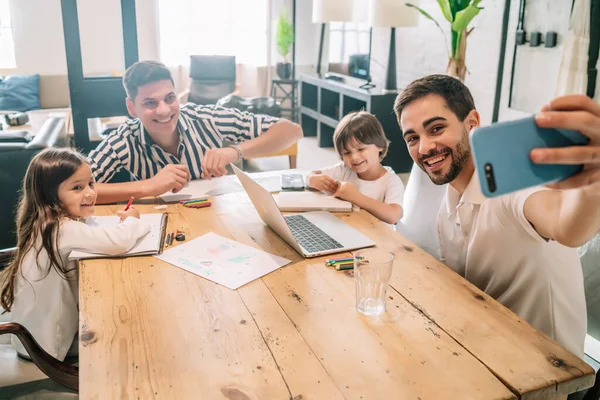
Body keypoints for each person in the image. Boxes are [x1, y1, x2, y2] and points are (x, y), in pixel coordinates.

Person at [393, 75, 600, 358]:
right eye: (413, 138)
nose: (425, 147)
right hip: (488, 348)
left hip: (549, 370)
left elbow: (566, 226)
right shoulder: (448, 205)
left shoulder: (513, 186)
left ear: (472, 123)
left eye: (437, 128)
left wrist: (593, 183)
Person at [0, 148, 150, 361]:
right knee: (128, 333)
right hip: (47, 346)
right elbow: (119, 242)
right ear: (50, 194)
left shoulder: (43, 221)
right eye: (77, 188)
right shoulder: (60, 229)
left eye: (91, 183)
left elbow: (91, 232)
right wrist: (132, 220)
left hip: (33, 332)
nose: (90, 193)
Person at [89, 60, 303, 204]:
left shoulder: (208, 118)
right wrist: (148, 187)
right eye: (150, 103)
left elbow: (292, 131)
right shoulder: (123, 140)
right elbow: (72, 190)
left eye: (170, 98)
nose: (164, 110)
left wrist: (234, 152)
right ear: (132, 108)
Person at [306, 111, 404, 225]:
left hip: (378, 238)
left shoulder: (391, 181)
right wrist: (311, 179)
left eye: (361, 149)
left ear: (380, 146)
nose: (354, 157)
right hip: (347, 229)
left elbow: (394, 216)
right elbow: (311, 174)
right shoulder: (345, 169)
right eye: (347, 152)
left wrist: (355, 197)